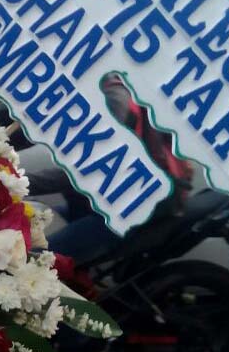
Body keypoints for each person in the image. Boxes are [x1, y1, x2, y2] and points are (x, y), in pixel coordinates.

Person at [28, 74, 191, 264]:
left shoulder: (115, 100)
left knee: (33, 258)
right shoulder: (99, 90)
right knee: (27, 222)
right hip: (102, 198)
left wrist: (19, 181)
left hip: (129, 208)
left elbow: (85, 171)